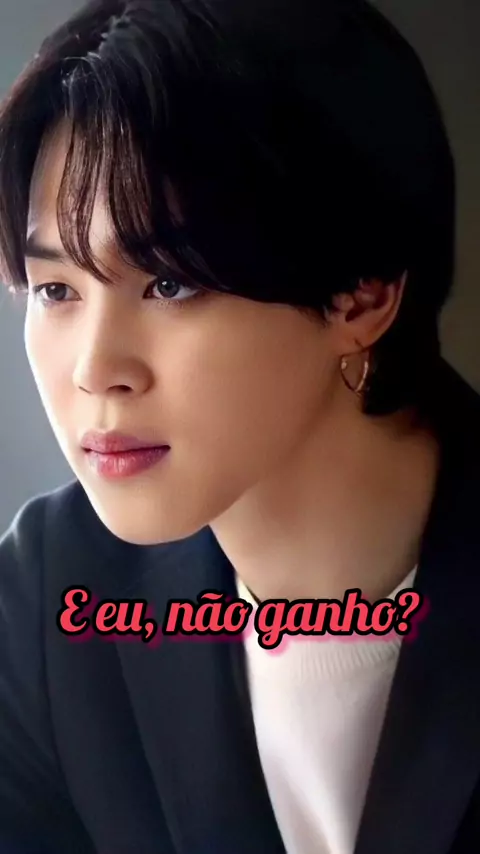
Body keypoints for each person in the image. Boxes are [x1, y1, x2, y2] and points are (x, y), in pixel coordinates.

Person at [0, 0, 479, 851]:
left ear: (361, 293)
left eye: (169, 284)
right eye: (56, 290)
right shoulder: (50, 598)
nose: (95, 369)